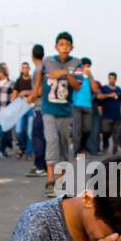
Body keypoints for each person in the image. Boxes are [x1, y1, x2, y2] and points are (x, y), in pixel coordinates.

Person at [37, 32, 82, 198]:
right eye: (61, 44)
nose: (64, 47)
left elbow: (77, 86)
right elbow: (44, 75)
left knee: (64, 146)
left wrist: (66, 74)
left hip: (65, 111)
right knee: (51, 140)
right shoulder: (48, 60)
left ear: (71, 47)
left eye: (67, 45)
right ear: (56, 46)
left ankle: (62, 183)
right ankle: (50, 181)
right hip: (48, 109)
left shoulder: (76, 63)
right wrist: (35, 91)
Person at [25, 44, 49, 178]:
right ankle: (41, 165)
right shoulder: (45, 68)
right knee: (43, 137)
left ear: (32, 55)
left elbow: (40, 90)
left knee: (37, 136)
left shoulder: (38, 70)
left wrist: (31, 97)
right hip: (46, 107)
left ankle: (40, 167)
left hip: (40, 107)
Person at [71, 55, 98, 154]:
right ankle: (76, 151)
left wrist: (90, 77)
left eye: (89, 66)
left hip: (88, 106)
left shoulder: (90, 78)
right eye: (85, 66)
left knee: (88, 129)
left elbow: (95, 90)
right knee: (77, 130)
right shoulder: (76, 76)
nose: (87, 68)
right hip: (76, 105)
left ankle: (82, 147)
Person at [98, 71, 121, 154]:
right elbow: (99, 97)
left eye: (113, 78)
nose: (111, 80)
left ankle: (115, 149)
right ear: (108, 79)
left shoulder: (119, 89)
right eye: (110, 78)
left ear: (116, 79)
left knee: (116, 133)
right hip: (106, 115)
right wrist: (108, 95)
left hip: (117, 115)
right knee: (106, 131)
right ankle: (105, 145)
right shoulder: (104, 88)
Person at [12, 62, 34, 157]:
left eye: (26, 68)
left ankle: (29, 152)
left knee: (30, 131)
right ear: (21, 70)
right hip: (20, 107)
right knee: (18, 131)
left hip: (31, 107)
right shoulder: (18, 81)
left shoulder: (33, 80)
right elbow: (14, 94)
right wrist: (14, 101)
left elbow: (37, 91)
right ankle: (22, 147)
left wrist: (25, 92)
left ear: (29, 69)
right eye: (23, 68)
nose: (25, 69)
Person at [0, 63, 14, 156]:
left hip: (7, 110)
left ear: (2, 73)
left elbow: (13, 96)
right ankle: (9, 145)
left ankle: (1, 150)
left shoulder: (11, 83)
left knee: (4, 130)